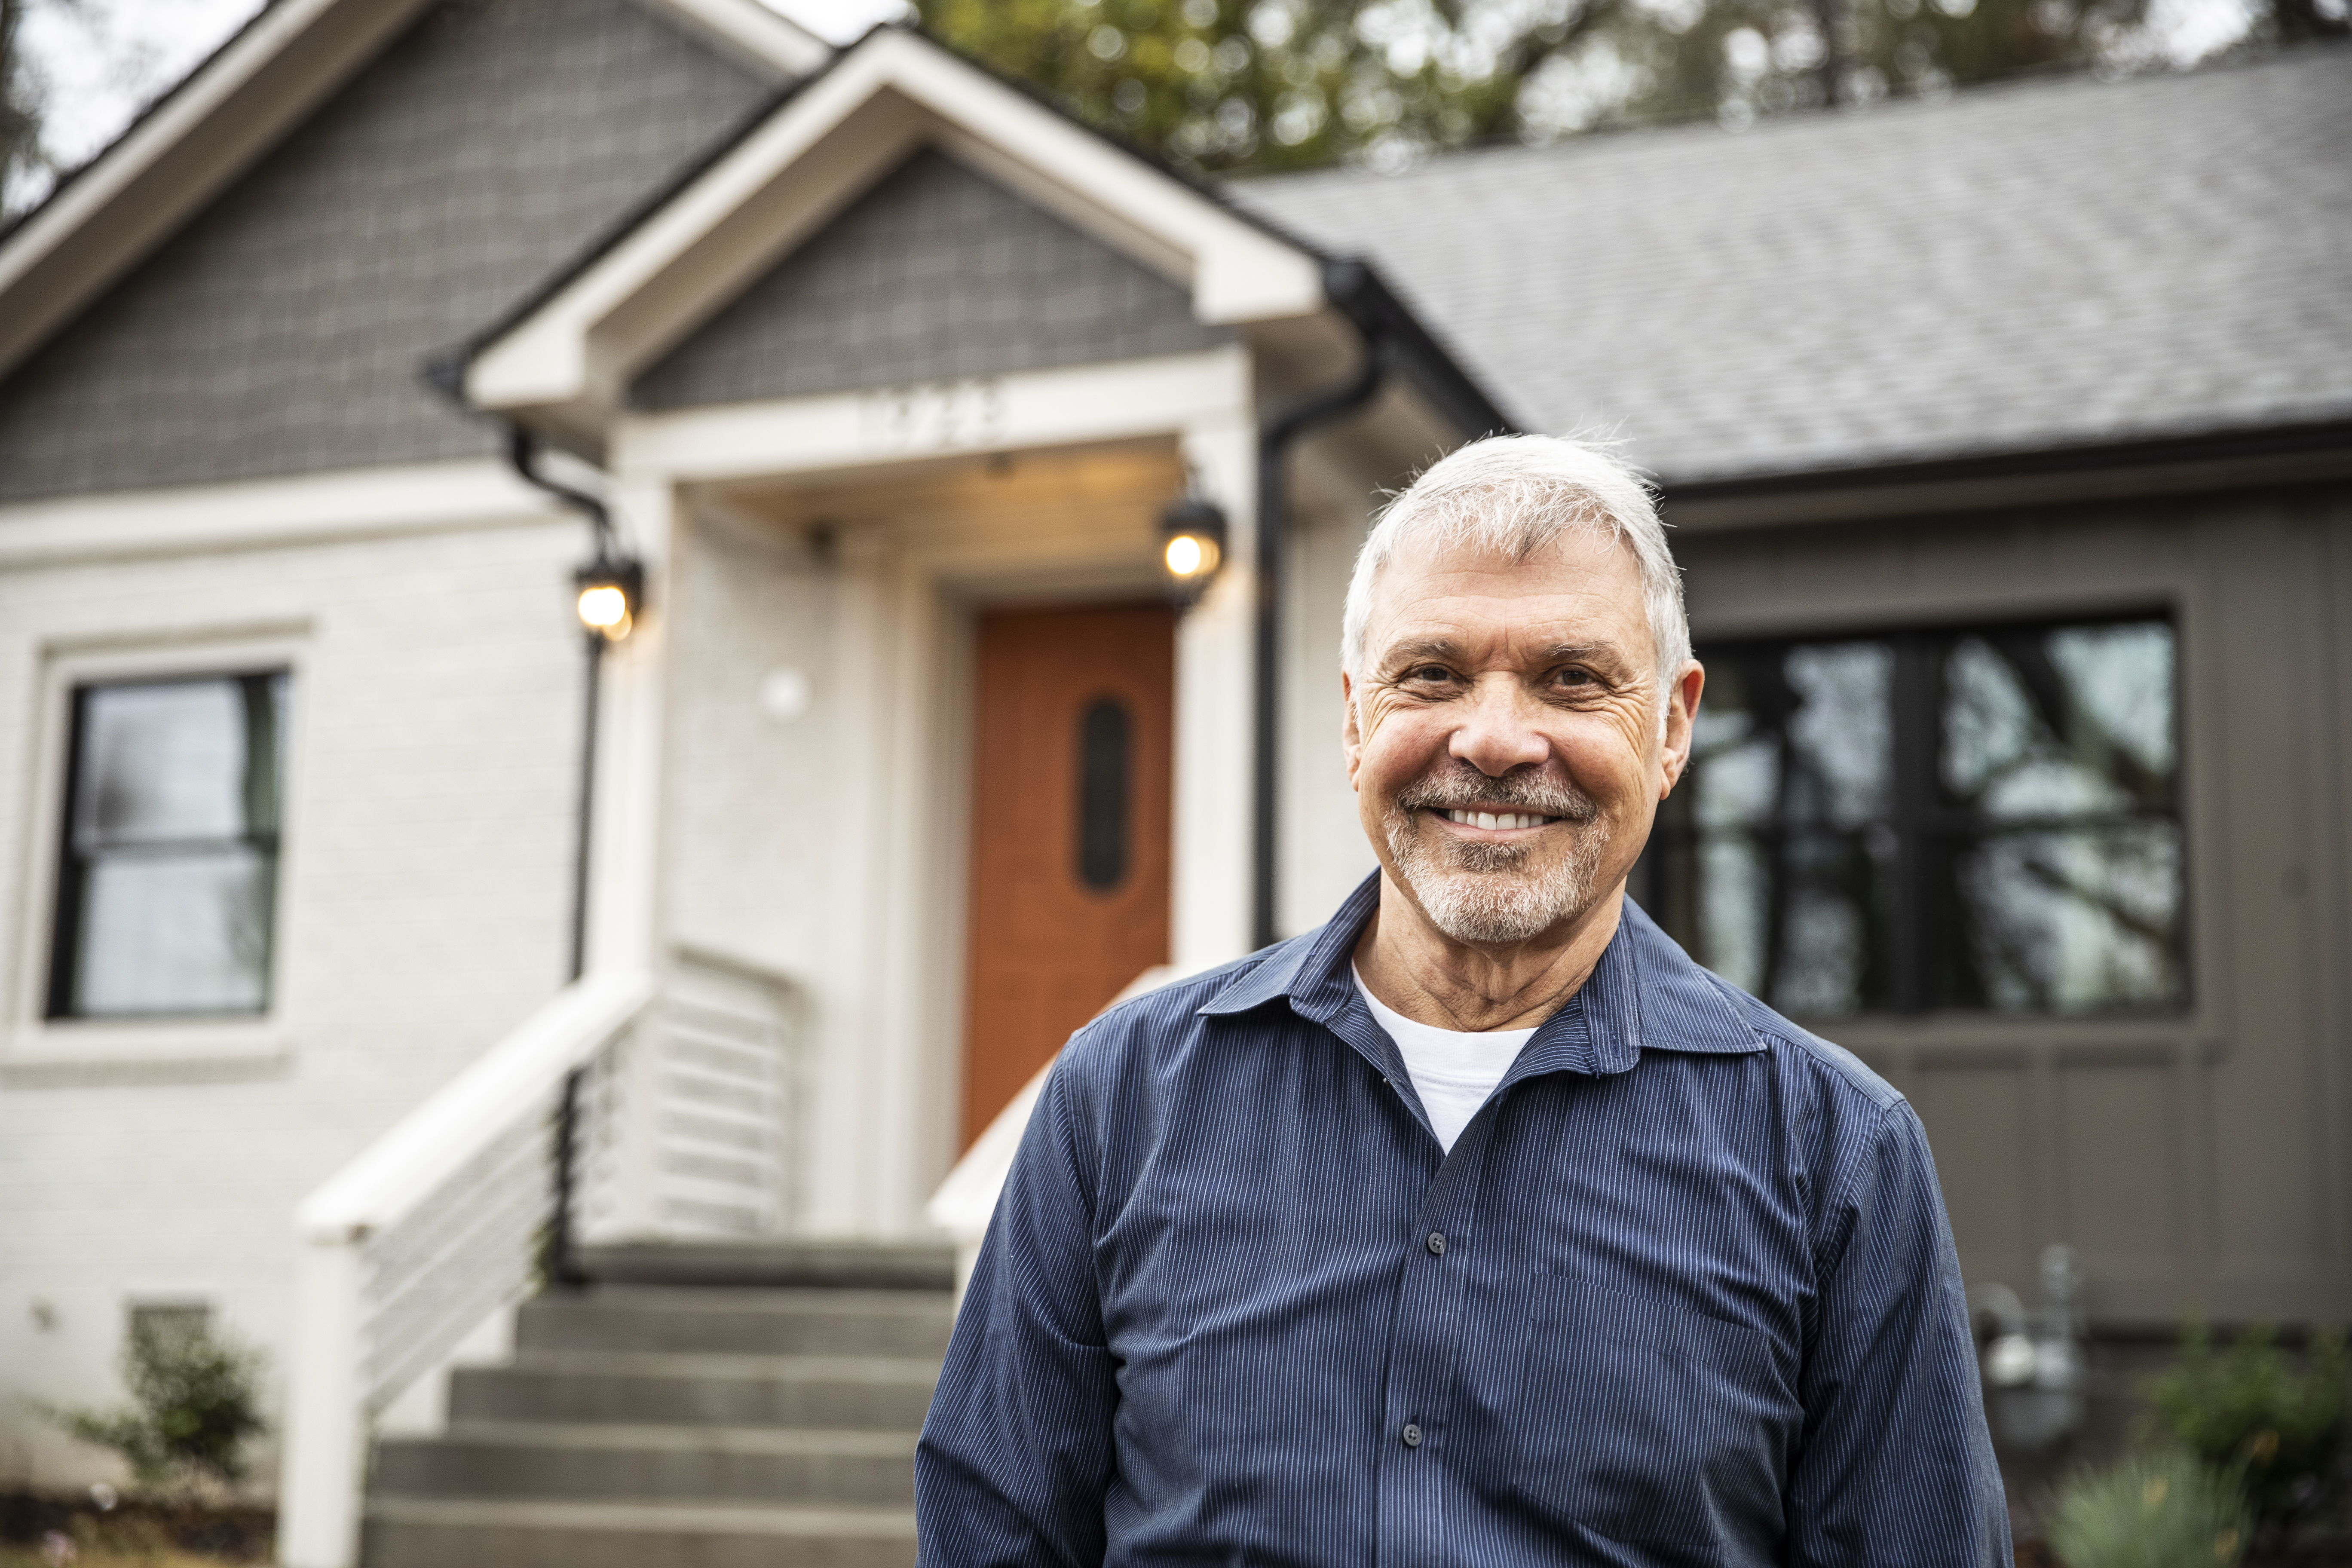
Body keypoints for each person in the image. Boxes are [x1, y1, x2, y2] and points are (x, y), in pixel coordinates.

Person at [915, 434, 2010, 1566]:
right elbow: (992, 1536)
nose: (1492, 739)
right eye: (1432, 674)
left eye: (1572, 679)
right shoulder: (1118, 1100)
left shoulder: (1836, 1156)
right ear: (1354, 720)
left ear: (1674, 726)